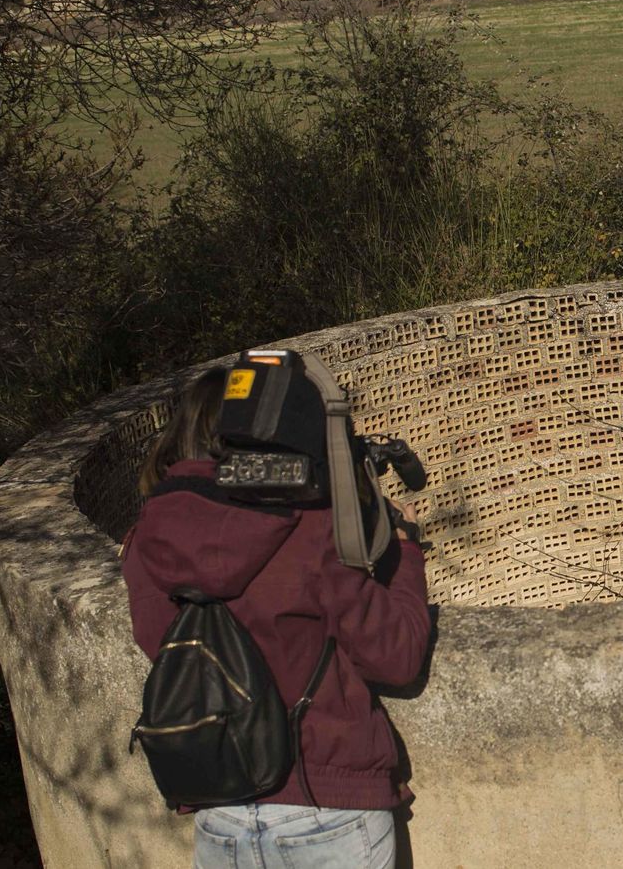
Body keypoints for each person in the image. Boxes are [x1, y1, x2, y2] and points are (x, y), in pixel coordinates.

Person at [121, 367, 431, 867]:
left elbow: (164, 644)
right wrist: (406, 556)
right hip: (326, 807)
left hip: (218, 812)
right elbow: (396, 657)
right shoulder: (310, 524)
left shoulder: (147, 536)